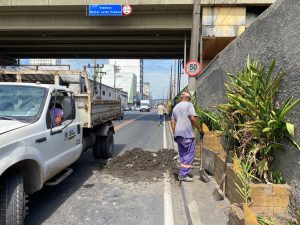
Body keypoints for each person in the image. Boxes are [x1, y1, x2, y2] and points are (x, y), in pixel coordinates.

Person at [171, 92, 204, 182]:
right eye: (189, 99)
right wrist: (200, 129)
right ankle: (183, 174)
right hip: (187, 134)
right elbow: (193, 118)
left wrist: (175, 133)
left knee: (183, 154)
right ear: (188, 98)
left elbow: (172, 123)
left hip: (178, 135)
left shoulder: (175, 108)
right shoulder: (189, 105)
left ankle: (183, 172)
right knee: (189, 154)